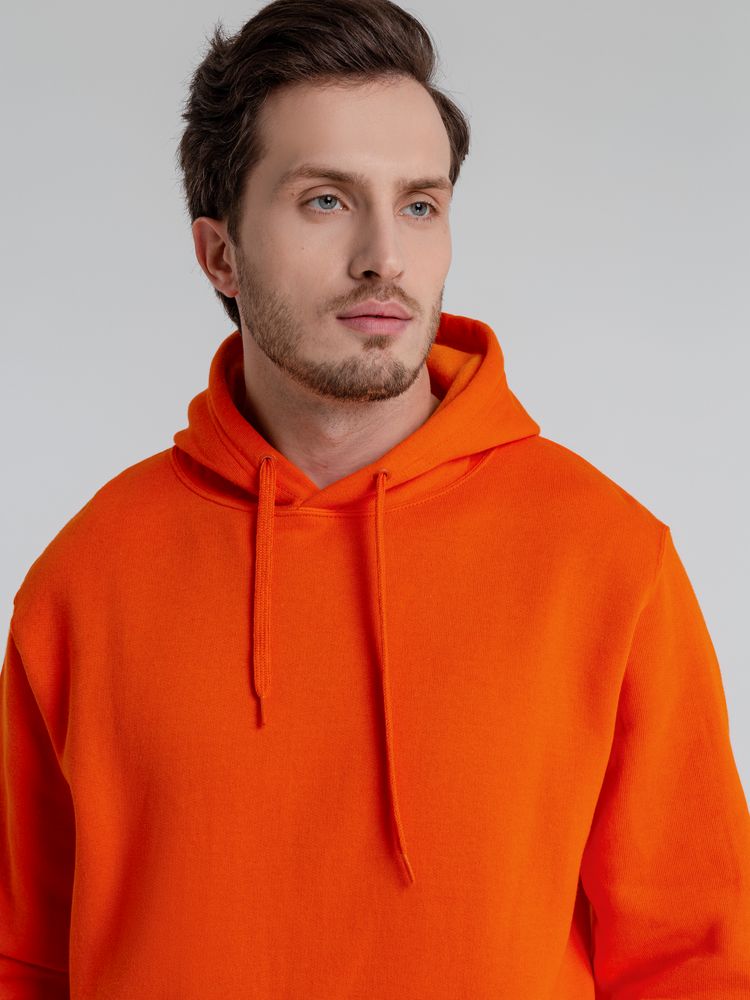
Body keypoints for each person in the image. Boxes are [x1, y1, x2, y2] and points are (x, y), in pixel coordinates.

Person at [2, 0, 749, 996]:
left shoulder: (607, 557)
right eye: (325, 200)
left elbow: (698, 961)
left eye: (420, 205)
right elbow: (24, 959)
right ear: (220, 254)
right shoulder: (86, 579)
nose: (385, 257)